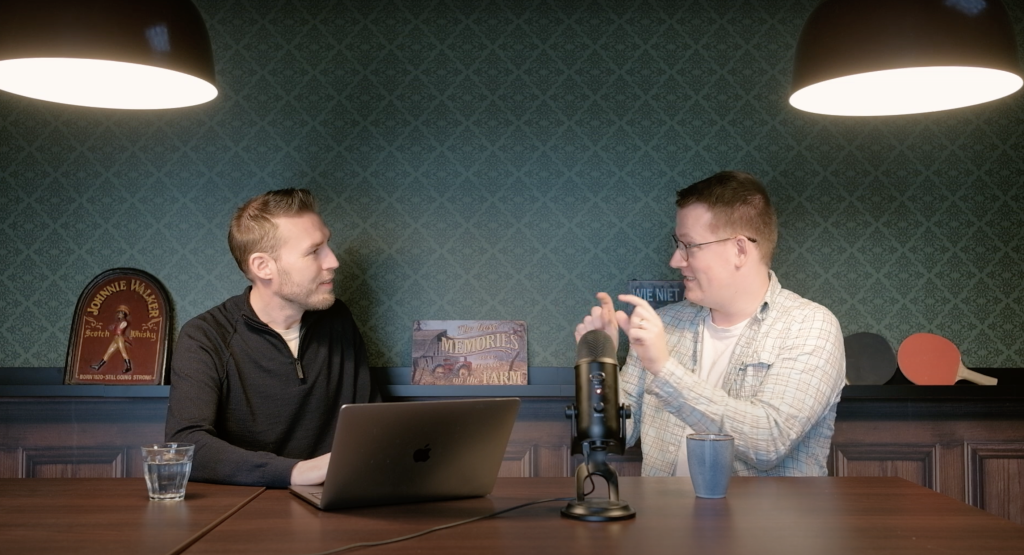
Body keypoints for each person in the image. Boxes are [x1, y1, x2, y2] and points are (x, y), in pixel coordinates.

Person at [575, 171, 844, 477]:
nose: (676, 261)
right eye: (678, 244)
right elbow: (616, 437)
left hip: (766, 511)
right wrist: (599, 363)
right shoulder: (663, 324)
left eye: (689, 245)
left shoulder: (810, 326)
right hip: (663, 508)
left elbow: (768, 441)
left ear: (739, 249)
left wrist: (664, 369)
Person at [165, 188, 378, 488]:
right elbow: (187, 447)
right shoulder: (205, 337)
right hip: (247, 504)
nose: (333, 261)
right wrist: (296, 472)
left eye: (327, 244)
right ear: (263, 266)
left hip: (337, 499)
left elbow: (370, 420)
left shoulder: (337, 319)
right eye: (314, 251)